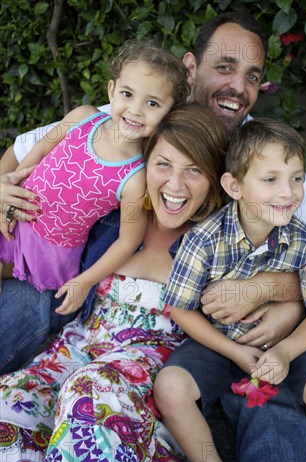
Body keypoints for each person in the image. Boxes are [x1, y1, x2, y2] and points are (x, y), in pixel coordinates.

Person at [0, 11, 306, 462]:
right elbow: (30, 151)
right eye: (225, 67)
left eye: (252, 76)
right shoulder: (134, 118)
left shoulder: (268, 162)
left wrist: (270, 292)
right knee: (26, 343)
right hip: (97, 311)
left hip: (215, 329)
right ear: (190, 68)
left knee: (273, 409)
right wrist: (5, 185)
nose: (237, 86)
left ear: (223, 184)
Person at [0, 104, 229, 462]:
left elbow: (294, 280)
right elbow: (32, 209)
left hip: (137, 374)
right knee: (10, 403)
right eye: (163, 164)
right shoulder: (112, 216)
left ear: (215, 180)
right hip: (76, 349)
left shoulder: (217, 245)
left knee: (87, 394)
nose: (175, 185)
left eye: (194, 170)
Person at [153, 118, 306, 462]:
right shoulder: (205, 238)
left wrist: (285, 352)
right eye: (271, 179)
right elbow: (180, 308)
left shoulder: (304, 241)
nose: (288, 193)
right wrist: (235, 353)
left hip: (280, 341)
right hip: (214, 344)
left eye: (297, 179)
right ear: (234, 186)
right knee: (170, 388)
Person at [0, 39, 189, 315]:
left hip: (51, 247)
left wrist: (85, 281)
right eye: (127, 94)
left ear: (169, 113)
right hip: (18, 218)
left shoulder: (135, 178)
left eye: (151, 103)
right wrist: (14, 189)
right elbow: (40, 149)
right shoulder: (83, 117)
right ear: (111, 91)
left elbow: (126, 241)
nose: (135, 110)